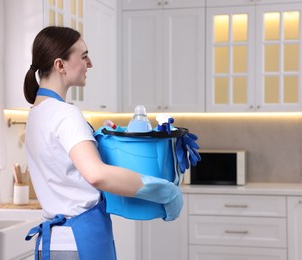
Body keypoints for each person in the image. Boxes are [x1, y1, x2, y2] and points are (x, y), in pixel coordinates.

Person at [23, 26, 183, 260]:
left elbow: (64, 164)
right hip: (80, 240)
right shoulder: (65, 114)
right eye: (84, 56)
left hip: (55, 241)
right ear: (60, 65)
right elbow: (97, 175)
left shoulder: (37, 113)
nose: (90, 64)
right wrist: (165, 191)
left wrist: (95, 139)